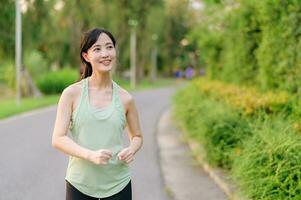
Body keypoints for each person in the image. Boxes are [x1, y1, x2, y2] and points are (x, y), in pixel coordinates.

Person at [52, 28, 143, 200]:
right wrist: (90, 155)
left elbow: (137, 136)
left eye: (109, 47)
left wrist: (131, 149)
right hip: (80, 184)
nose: (105, 54)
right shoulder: (72, 94)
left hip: (118, 184)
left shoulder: (126, 98)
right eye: (97, 49)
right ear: (86, 56)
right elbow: (58, 139)